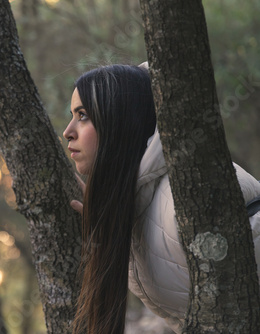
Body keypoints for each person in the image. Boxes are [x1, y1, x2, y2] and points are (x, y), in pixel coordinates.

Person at [62, 64, 260, 334]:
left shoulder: (192, 191)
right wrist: (107, 217)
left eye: (83, 115)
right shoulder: (137, 206)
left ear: (121, 121)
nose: (68, 131)